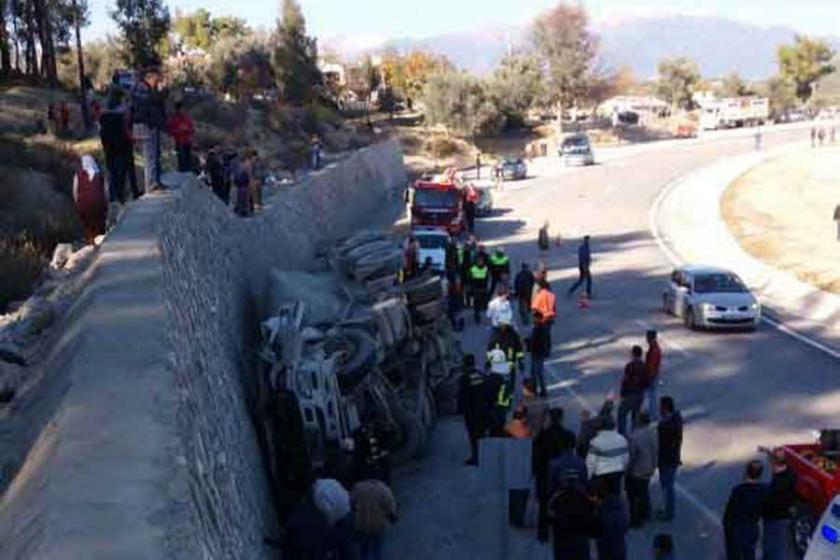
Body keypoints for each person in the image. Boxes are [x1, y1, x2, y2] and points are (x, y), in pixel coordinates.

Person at [533, 408, 576, 543]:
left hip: (544, 474)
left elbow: (535, 456)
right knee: (562, 504)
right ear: (561, 418)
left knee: (543, 505)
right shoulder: (568, 435)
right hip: (561, 475)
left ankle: (543, 533)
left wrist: (535, 471)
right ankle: (562, 533)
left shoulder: (542, 436)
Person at [132, 66, 167, 192]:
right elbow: (149, 104)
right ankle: (151, 185)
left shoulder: (148, 89)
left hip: (152, 125)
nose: (158, 80)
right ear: (150, 76)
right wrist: (158, 91)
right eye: (157, 77)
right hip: (145, 125)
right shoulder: (141, 88)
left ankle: (156, 182)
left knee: (155, 154)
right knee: (150, 155)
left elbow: (158, 103)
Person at [724, 460, 767, 560]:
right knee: (750, 553)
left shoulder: (738, 491)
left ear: (746, 473)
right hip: (752, 527)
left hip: (737, 529)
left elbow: (729, 513)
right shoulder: (763, 490)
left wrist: (727, 529)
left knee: (734, 554)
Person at [761, 448, 797, 560]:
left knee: (772, 548)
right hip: (785, 517)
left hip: (773, 519)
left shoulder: (776, 486)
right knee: (780, 546)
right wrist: (767, 451)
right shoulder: (791, 473)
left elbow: (767, 501)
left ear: (774, 464)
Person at [351, 477, 398, 560]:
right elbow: (390, 507)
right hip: (378, 525)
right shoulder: (383, 489)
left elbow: (352, 503)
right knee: (377, 549)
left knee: (363, 549)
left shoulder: (357, 488)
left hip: (362, 523)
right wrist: (393, 517)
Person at [99, 93, 133, 205]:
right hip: (122, 148)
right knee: (121, 174)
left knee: (112, 173)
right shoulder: (121, 117)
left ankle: (113, 198)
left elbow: (102, 134)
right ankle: (120, 197)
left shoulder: (103, 117)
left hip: (109, 149)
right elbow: (126, 133)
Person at [458, 355, 493, 465]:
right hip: (484, 410)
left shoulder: (464, 378)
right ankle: (485, 455)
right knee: (482, 434)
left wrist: (460, 410)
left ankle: (476, 458)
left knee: (474, 437)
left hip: (472, 413)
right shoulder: (481, 375)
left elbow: (463, 396)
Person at [626, 412, 658, 527]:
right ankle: (646, 513)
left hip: (638, 469)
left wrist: (627, 469)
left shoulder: (634, 436)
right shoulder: (653, 432)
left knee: (634, 495)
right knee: (644, 490)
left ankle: (636, 519)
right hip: (650, 467)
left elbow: (632, 455)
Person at [586, 413, 629, 499]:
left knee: (603, 498)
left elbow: (591, 462)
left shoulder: (595, 441)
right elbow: (625, 459)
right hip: (617, 473)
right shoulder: (622, 439)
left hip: (601, 476)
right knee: (616, 496)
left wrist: (588, 478)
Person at [656, 396, 683, 522]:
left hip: (667, 459)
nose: (659, 409)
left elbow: (662, 442)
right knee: (667, 485)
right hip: (671, 457)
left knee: (667, 486)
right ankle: (667, 509)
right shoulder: (676, 420)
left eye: (661, 406)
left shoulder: (667, 426)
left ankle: (669, 512)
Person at [72, 155, 108, 243]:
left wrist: (78, 203)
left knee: (87, 223)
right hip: (99, 205)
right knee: (99, 222)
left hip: (83, 205)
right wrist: (106, 204)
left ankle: (91, 240)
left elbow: (75, 191)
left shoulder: (78, 175)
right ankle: (99, 238)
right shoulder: (100, 175)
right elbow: (106, 192)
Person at [617, 345, 647, 436]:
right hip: (640, 394)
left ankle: (622, 435)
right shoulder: (644, 366)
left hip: (630, 393)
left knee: (621, 414)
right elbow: (646, 380)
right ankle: (635, 435)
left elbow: (625, 380)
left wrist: (622, 392)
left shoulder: (630, 366)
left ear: (633, 354)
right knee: (635, 415)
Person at [528, 309, 552, 398]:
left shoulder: (540, 328)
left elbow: (540, 341)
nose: (533, 319)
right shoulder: (539, 327)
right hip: (537, 352)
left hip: (538, 352)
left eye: (534, 318)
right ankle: (536, 389)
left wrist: (530, 343)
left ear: (538, 318)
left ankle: (541, 390)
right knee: (534, 372)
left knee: (537, 372)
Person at [167, 101, 195, 173]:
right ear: (178, 109)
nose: (183, 110)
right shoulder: (173, 119)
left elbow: (192, 129)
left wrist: (187, 130)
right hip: (179, 142)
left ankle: (188, 173)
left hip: (187, 142)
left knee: (188, 160)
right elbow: (170, 131)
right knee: (181, 160)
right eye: (182, 109)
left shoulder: (187, 118)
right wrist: (179, 130)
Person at [644, 330, 663, 420]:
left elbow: (651, 365)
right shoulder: (654, 347)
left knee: (651, 396)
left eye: (647, 337)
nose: (646, 339)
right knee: (652, 395)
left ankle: (653, 415)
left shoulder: (654, 350)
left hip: (651, 375)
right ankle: (652, 414)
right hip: (653, 374)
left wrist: (648, 377)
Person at [232, 150, 255, 217]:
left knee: (240, 196)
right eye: (254, 158)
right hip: (244, 183)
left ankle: (238, 209)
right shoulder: (248, 164)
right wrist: (251, 184)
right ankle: (243, 211)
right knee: (245, 197)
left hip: (239, 183)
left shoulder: (241, 163)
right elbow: (249, 174)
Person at [469, 254, 490, 324]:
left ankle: (481, 311)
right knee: (476, 303)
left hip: (483, 288)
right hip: (476, 288)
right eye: (478, 261)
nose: (480, 262)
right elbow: (470, 279)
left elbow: (487, 278)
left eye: (481, 261)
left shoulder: (485, 268)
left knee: (483, 301)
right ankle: (477, 316)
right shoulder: (473, 269)